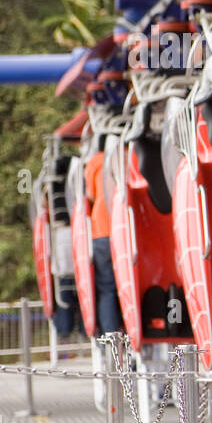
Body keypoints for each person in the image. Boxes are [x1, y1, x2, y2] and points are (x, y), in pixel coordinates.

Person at [83, 135, 123, 335]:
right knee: (126, 286)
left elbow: (89, 195)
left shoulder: (95, 162)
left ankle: (111, 340)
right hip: (125, 227)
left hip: (101, 228)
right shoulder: (126, 154)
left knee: (107, 289)